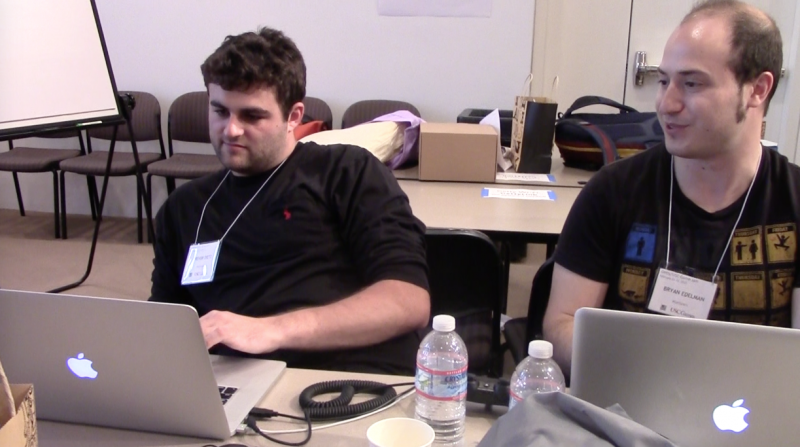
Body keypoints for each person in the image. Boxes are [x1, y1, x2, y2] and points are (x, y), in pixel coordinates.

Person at [149, 27, 430, 375]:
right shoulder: (183, 207)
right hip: (228, 382)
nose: (231, 130)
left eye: (252, 116)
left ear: (294, 117)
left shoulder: (346, 172)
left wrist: (270, 330)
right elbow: (165, 324)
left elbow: (408, 301)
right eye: (220, 111)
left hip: (341, 378)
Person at [544, 0, 800, 374]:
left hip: (749, 419)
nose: (667, 103)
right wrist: (648, 372)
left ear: (757, 90)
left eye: (692, 84)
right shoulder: (613, 192)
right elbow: (561, 324)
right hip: (628, 414)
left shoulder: (792, 199)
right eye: (665, 81)